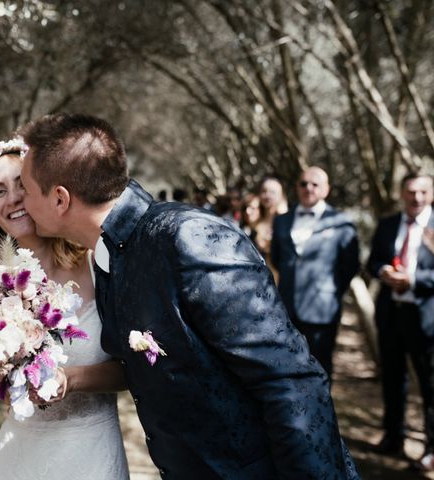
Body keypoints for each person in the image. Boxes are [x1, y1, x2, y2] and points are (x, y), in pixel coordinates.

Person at [18, 113, 359, 479]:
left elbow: (291, 381)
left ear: (59, 199)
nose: (21, 198)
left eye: (25, 186)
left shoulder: (187, 238)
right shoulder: (106, 259)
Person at [0, 139, 130, 480]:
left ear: (44, 191)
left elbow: (131, 370)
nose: (14, 198)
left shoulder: (97, 264)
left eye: (21, 185)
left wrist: (70, 380)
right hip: (21, 453)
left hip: (91, 449)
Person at [366, 172, 434, 471]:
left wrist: (413, 280)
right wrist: (383, 272)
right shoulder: (388, 224)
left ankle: (432, 447)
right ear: (401, 193)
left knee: (430, 385)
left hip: (426, 319)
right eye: (410, 192)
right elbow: (372, 261)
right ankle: (393, 436)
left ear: (430, 194)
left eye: (422, 192)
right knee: (393, 380)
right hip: (390, 314)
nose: (416, 198)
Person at [270, 167, 359, 379]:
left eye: (315, 184)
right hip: (287, 308)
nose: (308, 188)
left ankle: (321, 412)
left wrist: (330, 291)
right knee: (288, 367)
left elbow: (350, 266)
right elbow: (277, 258)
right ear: (296, 188)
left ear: (326, 189)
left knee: (320, 369)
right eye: (303, 184)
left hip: (322, 310)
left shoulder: (342, 223)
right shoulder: (282, 220)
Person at [253, 176, 287, 271]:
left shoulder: (286, 221)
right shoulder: (256, 219)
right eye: (264, 191)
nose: (267, 195)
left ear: (281, 195)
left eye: (272, 192)